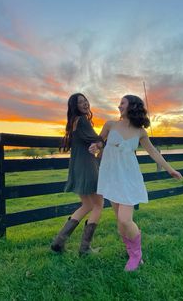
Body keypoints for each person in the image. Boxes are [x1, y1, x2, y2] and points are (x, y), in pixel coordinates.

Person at [89, 95, 183, 271]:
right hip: (111, 176)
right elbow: (100, 141)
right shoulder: (110, 124)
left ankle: (136, 254)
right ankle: (131, 250)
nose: (119, 106)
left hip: (129, 177)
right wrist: (96, 147)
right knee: (120, 222)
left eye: (122, 103)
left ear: (132, 106)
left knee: (125, 219)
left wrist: (170, 169)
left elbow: (153, 152)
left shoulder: (140, 132)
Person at [51, 93, 104, 255]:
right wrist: (103, 141)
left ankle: (59, 242)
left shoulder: (74, 122)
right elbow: (98, 139)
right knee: (98, 205)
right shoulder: (82, 121)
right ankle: (85, 248)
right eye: (80, 102)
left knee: (87, 205)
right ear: (75, 106)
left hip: (77, 168)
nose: (84, 104)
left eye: (85, 100)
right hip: (88, 167)